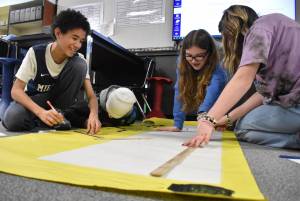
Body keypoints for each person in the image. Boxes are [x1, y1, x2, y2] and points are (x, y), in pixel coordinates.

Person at [184, 5, 300, 149]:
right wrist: (227, 119)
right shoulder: (276, 28)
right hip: (294, 103)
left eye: (227, 39)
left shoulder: (258, 29)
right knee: (241, 124)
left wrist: (208, 121)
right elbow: (262, 95)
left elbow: (242, 80)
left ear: (232, 30)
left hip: (296, 105)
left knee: (243, 128)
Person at [2, 9, 101, 134]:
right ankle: (51, 119)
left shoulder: (78, 60)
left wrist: (94, 115)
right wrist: (41, 112)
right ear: (58, 33)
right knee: (13, 119)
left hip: (63, 104)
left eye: (81, 41)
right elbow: (16, 91)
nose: (78, 45)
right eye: (74, 38)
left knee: (80, 65)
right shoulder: (35, 53)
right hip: (37, 101)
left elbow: (91, 96)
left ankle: (59, 116)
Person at [157, 29, 227, 132]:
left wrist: (203, 115)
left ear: (209, 54)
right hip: (200, 79)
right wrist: (177, 124)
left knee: (219, 124)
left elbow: (214, 89)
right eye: (189, 55)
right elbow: (179, 89)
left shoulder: (218, 61)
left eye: (199, 56)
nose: (193, 61)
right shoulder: (182, 61)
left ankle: (219, 118)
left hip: (218, 90)